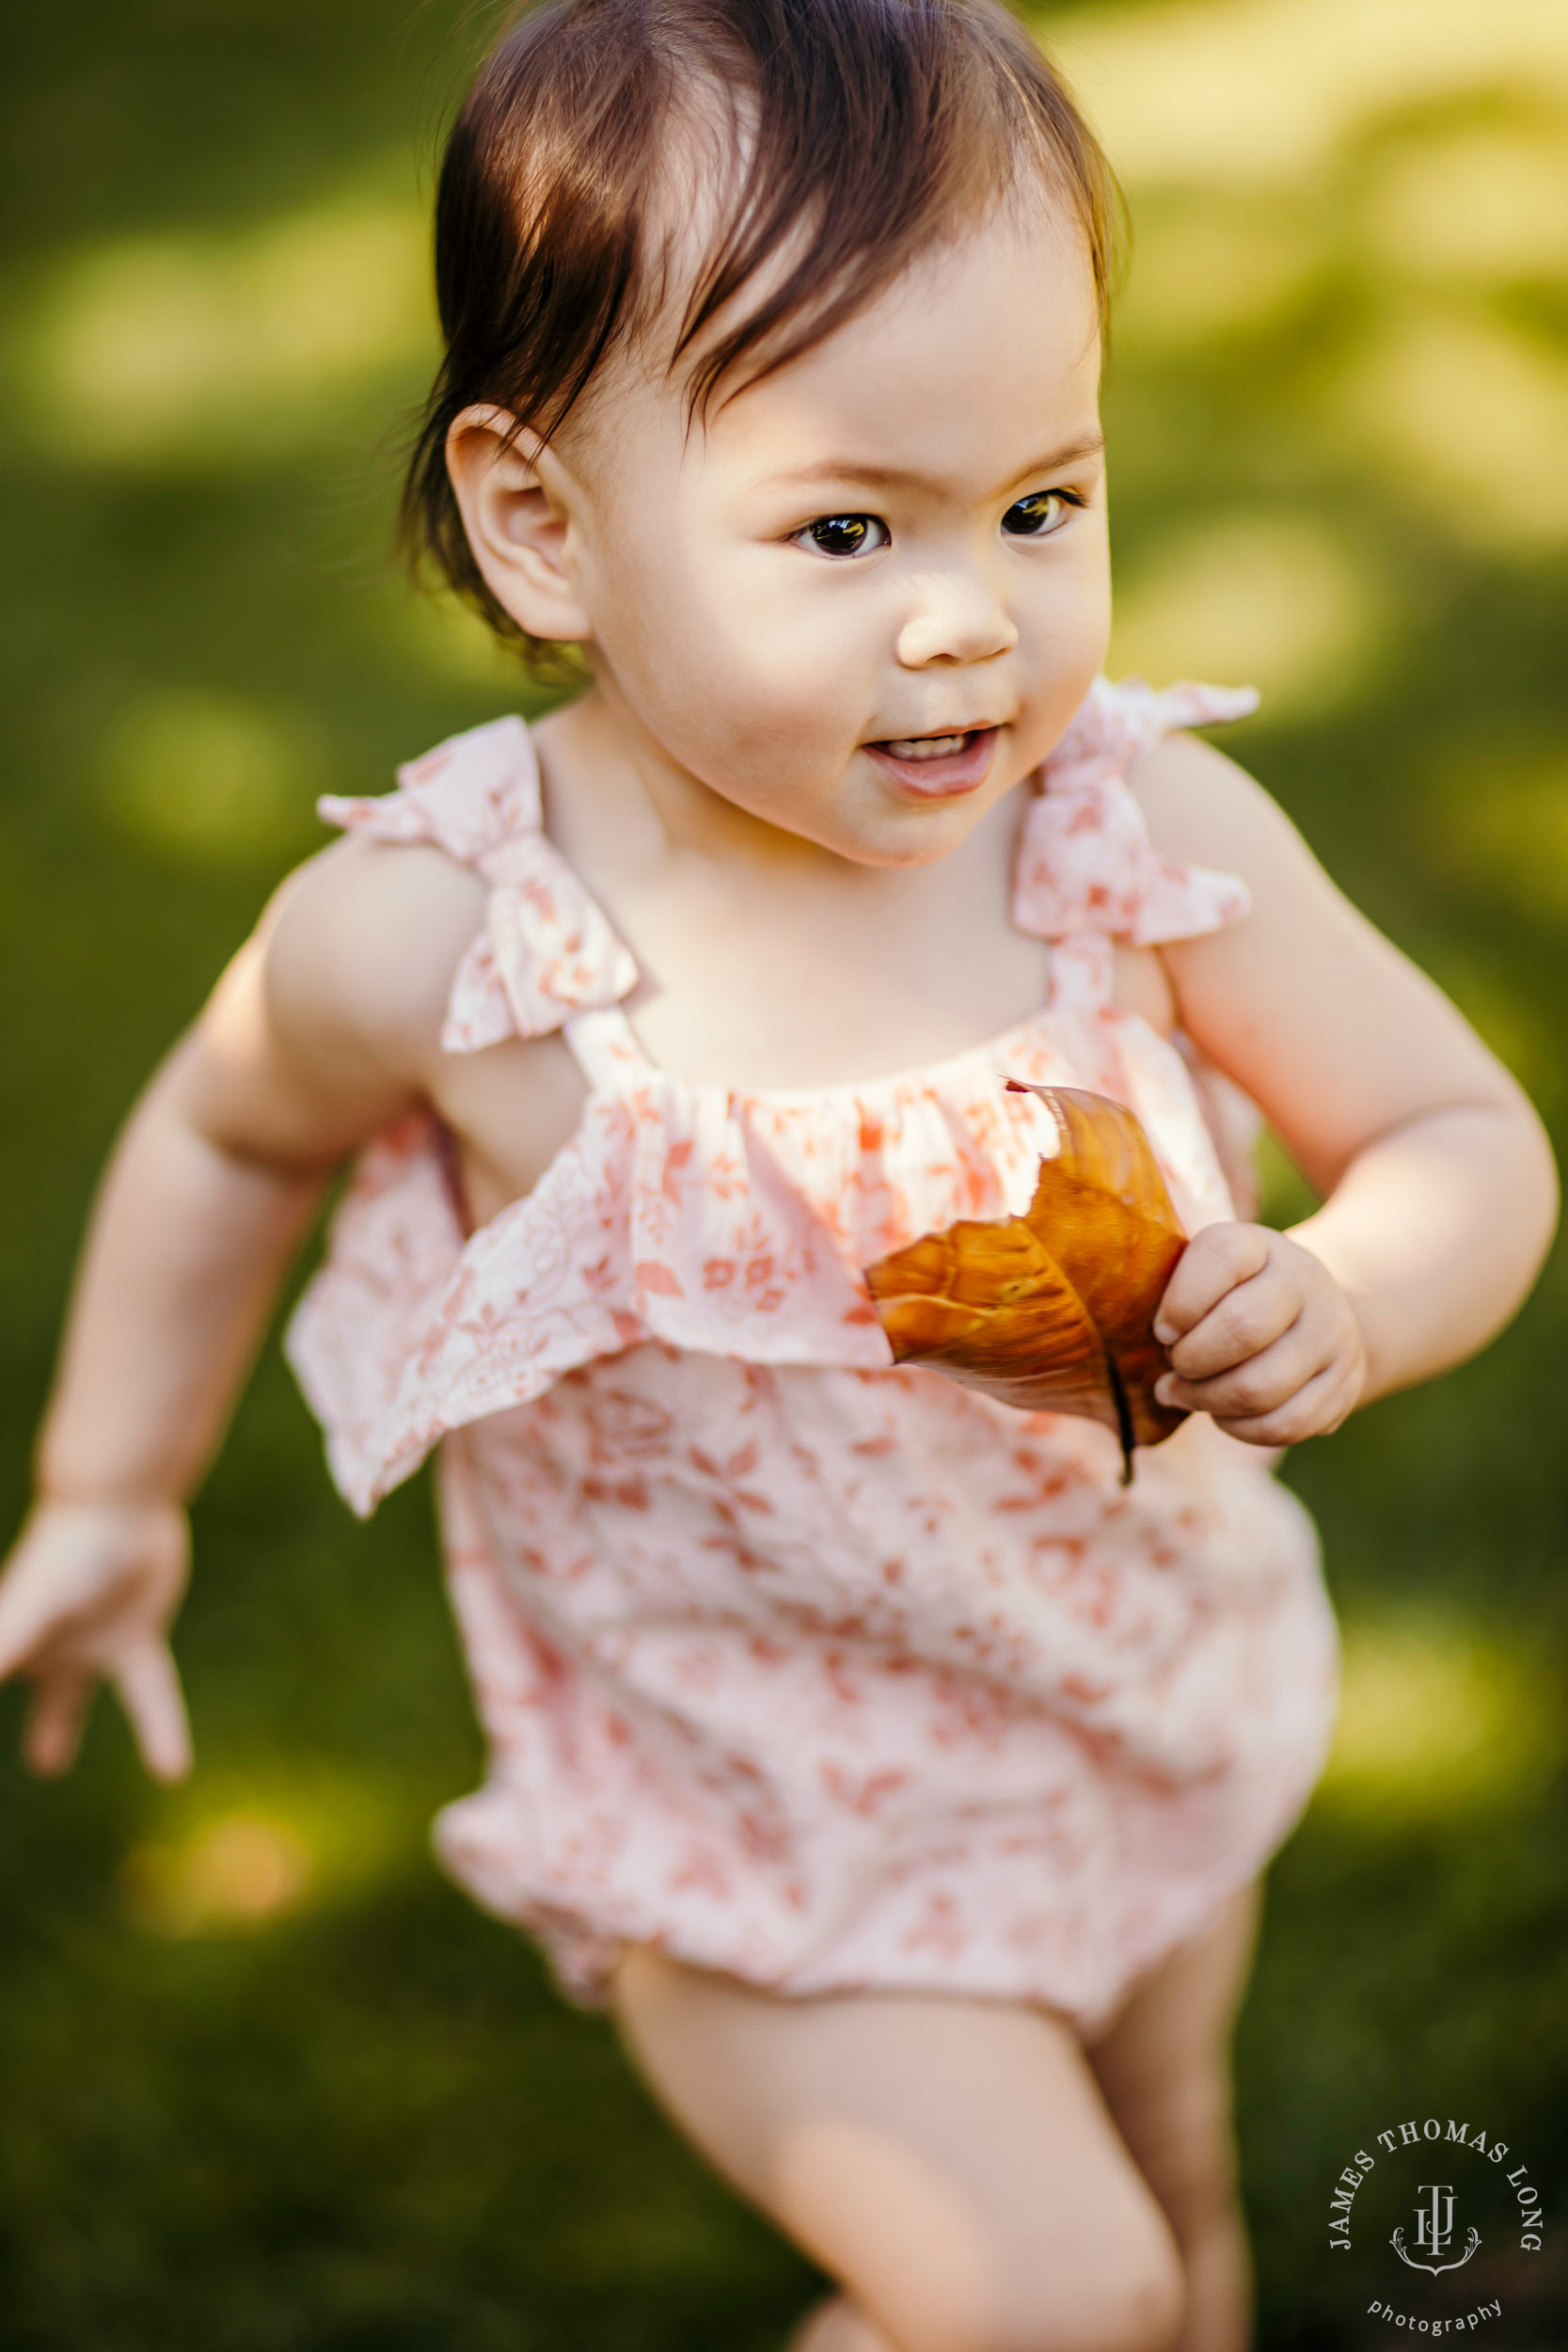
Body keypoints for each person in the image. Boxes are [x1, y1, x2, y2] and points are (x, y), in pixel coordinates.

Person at [0, 0, 1555, 2344]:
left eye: (1044, 502)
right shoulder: (456, 946)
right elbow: (226, 1126)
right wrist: (115, 1482)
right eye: (844, 527)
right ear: (544, 524)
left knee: (1175, 2219)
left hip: (1123, 1695)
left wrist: (1353, 1284)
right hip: (751, 1809)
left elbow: (1457, 1137)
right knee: (1052, 2295)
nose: (967, 614)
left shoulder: (1129, 839)